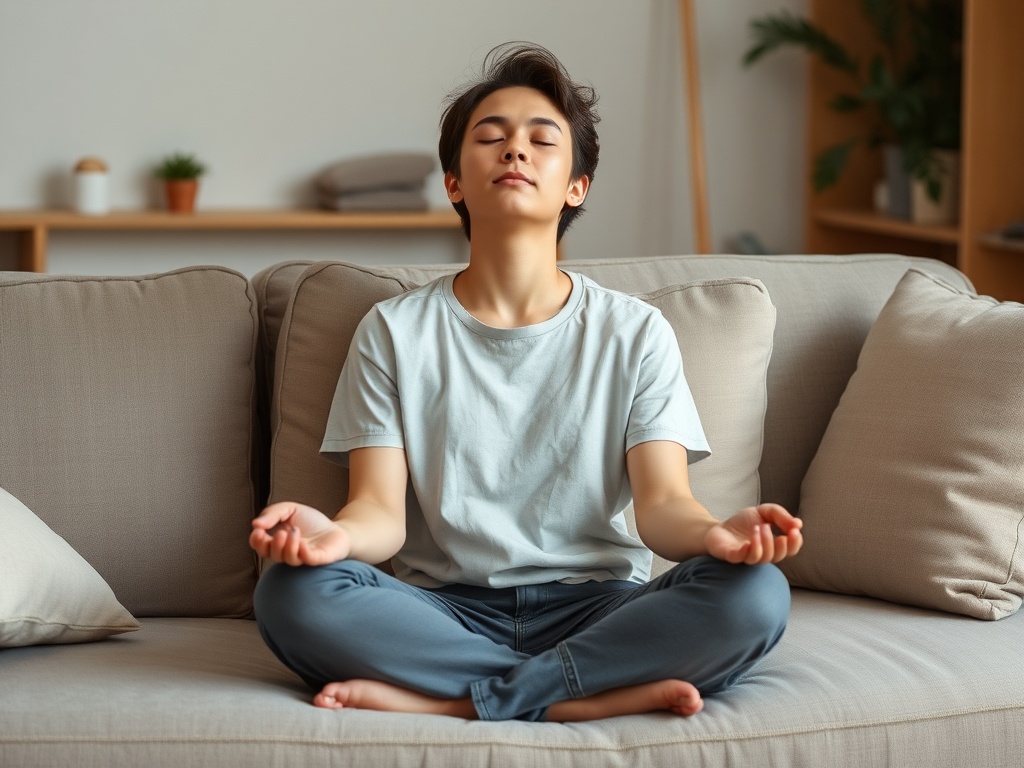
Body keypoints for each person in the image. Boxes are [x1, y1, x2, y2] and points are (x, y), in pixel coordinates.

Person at [250, 42, 803, 722]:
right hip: (441, 609)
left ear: (577, 185)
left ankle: (459, 703)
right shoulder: (392, 331)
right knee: (291, 595)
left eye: (542, 140)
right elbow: (378, 516)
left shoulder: (636, 332)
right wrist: (330, 539)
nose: (515, 150)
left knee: (756, 595)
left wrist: (720, 535)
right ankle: (578, 696)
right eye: (491, 137)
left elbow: (663, 507)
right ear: (454, 181)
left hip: (598, 606)